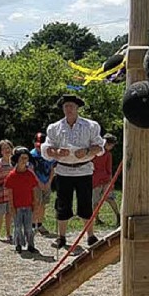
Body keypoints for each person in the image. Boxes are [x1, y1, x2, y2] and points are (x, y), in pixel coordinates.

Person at [41, 94, 105, 250]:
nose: (68, 109)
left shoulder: (91, 126)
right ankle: (61, 237)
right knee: (62, 205)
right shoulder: (54, 127)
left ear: (77, 108)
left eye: (71, 106)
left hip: (84, 170)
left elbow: (100, 147)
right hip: (63, 171)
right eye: (65, 106)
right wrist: (56, 151)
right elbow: (46, 149)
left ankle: (90, 235)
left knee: (85, 204)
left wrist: (87, 151)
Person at [5, 146, 49, 254]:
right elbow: (10, 193)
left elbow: (34, 190)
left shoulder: (30, 174)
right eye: (22, 158)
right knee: (18, 227)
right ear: (16, 160)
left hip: (29, 205)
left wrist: (36, 204)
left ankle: (30, 245)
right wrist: (11, 207)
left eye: (26, 158)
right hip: (17, 206)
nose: (24, 161)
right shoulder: (11, 176)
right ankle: (18, 244)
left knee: (29, 227)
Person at [92, 133, 121, 226]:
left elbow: (109, 169)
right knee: (95, 201)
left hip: (105, 179)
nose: (112, 147)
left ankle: (118, 215)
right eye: (112, 145)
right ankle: (96, 219)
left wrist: (110, 181)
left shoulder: (108, 154)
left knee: (109, 198)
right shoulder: (95, 152)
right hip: (95, 180)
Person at [30, 132, 55, 236]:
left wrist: (49, 182)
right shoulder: (32, 155)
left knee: (43, 204)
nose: (38, 145)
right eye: (37, 142)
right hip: (36, 184)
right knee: (36, 204)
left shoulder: (50, 154)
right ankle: (32, 225)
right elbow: (31, 170)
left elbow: (53, 168)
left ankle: (39, 224)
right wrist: (39, 183)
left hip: (46, 182)